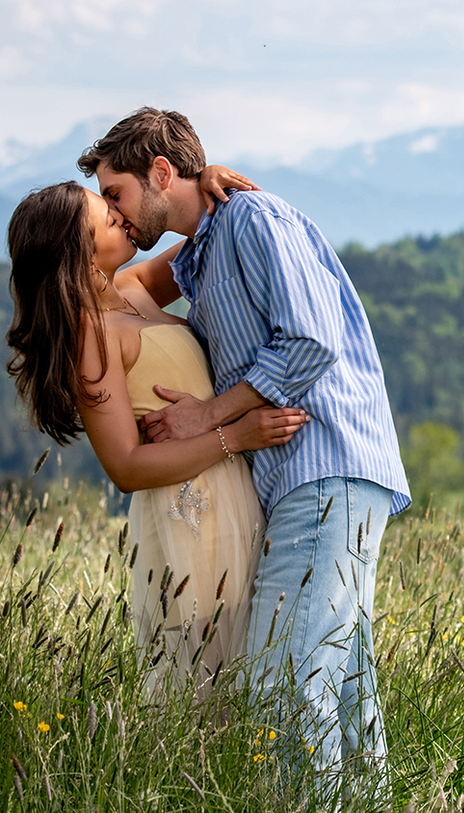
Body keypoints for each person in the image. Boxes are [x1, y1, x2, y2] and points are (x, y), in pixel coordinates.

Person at [76, 108, 411, 785]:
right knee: (342, 685)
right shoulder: (203, 249)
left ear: (160, 173)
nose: (116, 213)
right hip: (293, 479)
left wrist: (213, 418)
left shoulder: (253, 220)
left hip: (325, 464)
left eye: (117, 193)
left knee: (285, 683)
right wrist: (203, 188)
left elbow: (312, 341)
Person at [6, 176, 310, 691]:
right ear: (78, 248)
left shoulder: (133, 288)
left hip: (239, 496)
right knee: (207, 687)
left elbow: (203, 235)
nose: (122, 217)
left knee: (256, 678)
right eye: (106, 216)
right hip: (191, 517)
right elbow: (125, 466)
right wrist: (235, 437)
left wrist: (204, 178)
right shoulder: (90, 337)